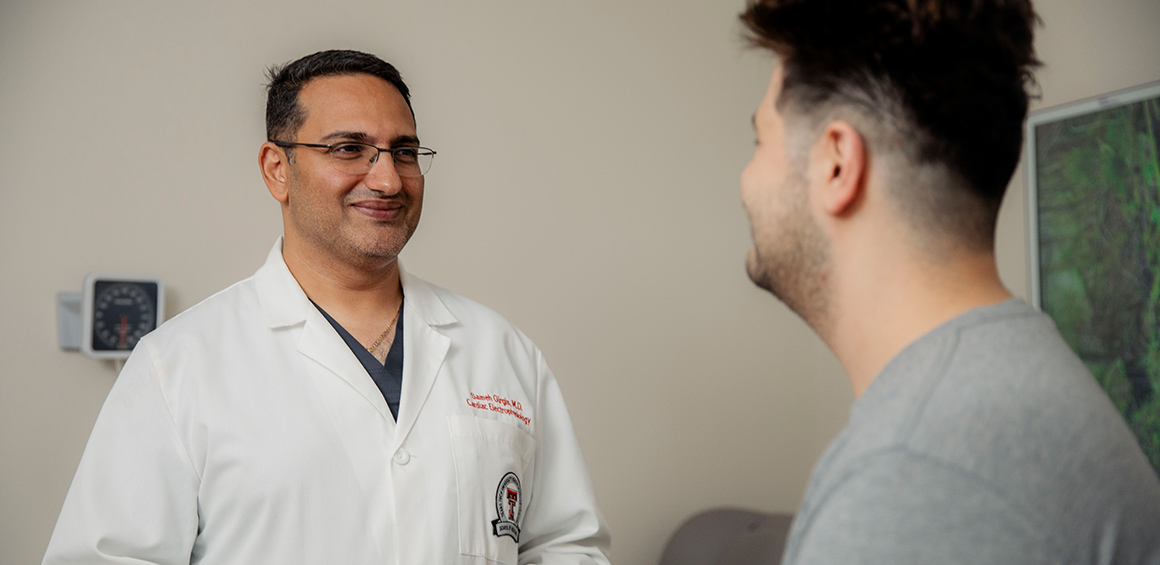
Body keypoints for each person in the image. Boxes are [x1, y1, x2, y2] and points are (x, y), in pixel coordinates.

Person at [44, 49, 610, 565]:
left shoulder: (501, 351)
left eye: (404, 152)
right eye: (349, 149)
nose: (388, 178)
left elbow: (563, 545)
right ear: (277, 170)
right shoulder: (178, 366)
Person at [737, 0, 1160, 563]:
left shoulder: (910, 478)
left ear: (836, 163)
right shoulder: (1015, 381)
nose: (746, 179)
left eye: (759, 141)